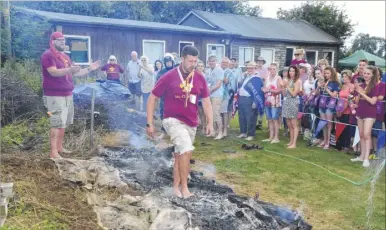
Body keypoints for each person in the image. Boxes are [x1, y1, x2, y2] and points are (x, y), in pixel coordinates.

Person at [146, 45, 213, 198]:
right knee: (186, 149)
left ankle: (175, 188)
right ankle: (185, 188)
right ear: (182, 59)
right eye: (190, 61)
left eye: (195, 61)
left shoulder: (200, 77)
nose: (193, 64)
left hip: (191, 122)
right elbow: (152, 98)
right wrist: (149, 123)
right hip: (172, 120)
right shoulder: (168, 76)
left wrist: (210, 122)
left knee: (181, 154)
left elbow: (207, 101)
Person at [41, 31, 100, 159]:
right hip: (53, 96)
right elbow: (53, 72)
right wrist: (70, 69)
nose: (63, 42)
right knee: (56, 122)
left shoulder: (65, 57)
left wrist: (90, 68)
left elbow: (76, 73)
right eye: (60, 40)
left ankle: (60, 148)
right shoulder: (48, 55)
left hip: (67, 94)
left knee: (64, 123)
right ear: (52, 42)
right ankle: (53, 152)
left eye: (63, 40)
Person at [351, 66, 379, 167]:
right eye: (365, 73)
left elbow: (373, 101)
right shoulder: (361, 85)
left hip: (370, 113)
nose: (366, 75)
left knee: (367, 134)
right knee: (361, 134)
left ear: (372, 75)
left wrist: (362, 93)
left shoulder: (375, 86)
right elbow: (357, 101)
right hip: (360, 111)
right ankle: (362, 156)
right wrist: (357, 95)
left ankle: (367, 158)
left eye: (368, 73)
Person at [237, 62, 265, 141]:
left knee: (251, 118)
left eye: (251, 68)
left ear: (254, 68)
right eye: (248, 68)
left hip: (250, 100)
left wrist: (255, 102)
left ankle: (251, 134)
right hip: (242, 99)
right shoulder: (245, 77)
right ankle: (243, 132)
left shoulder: (257, 79)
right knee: (241, 117)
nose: (249, 69)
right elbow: (240, 85)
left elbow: (258, 92)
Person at [316, 66, 340, 150]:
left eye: (328, 73)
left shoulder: (335, 83)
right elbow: (316, 94)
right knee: (323, 123)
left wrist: (327, 89)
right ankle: (324, 140)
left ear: (332, 73)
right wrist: (319, 86)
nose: (326, 75)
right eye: (325, 73)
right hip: (322, 104)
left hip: (330, 105)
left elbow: (334, 95)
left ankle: (328, 142)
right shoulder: (323, 81)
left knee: (329, 124)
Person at [262, 63, 282, 143]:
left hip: (275, 101)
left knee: (275, 119)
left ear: (277, 69)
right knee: (269, 119)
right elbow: (264, 88)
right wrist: (264, 89)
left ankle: (276, 137)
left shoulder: (278, 78)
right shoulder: (267, 78)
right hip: (267, 101)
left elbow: (280, 90)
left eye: (274, 69)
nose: (272, 70)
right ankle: (270, 137)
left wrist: (270, 90)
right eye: (271, 69)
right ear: (269, 70)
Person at [282, 65, 302, 149]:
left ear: (296, 72)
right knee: (289, 124)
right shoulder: (288, 80)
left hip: (293, 102)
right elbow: (284, 94)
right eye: (290, 71)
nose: (291, 72)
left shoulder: (298, 81)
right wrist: (283, 86)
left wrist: (287, 86)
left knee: (294, 124)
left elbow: (294, 94)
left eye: (293, 71)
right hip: (286, 102)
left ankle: (294, 143)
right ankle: (290, 141)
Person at [206, 55, 225, 140]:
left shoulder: (219, 70)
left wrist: (209, 90)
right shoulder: (208, 71)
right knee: (210, 114)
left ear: (216, 61)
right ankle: (213, 131)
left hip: (216, 95)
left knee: (216, 113)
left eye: (213, 61)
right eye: (210, 61)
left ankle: (220, 132)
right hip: (209, 94)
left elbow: (218, 84)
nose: (211, 62)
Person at [335, 70, 354, 152]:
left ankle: (346, 146)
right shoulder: (342, 86)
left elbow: (349, 99)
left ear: (350, 77)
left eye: (346, 76)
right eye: (343, 77)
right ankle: (340, 145)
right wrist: (338, 110)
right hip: (340, 109)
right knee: (340, 127)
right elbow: (339, 98)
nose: (344, 78)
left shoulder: (352, 86)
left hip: (347, 110)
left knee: (347, 129)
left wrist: (343, 110)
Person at [219, 57, 234, 138]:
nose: (223, 64)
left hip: (225, 94)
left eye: (225, 62)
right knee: (218, 112)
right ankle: (219, 129)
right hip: (217, 94)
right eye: (222, 62)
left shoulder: (230, 72)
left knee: (224, 112)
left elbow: (227, 82)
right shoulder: (219, 70)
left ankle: (225, 130)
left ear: (228, 64)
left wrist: (222, 78)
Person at [196, 60, 207, 134]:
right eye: (199, 66)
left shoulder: (205, 75)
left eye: (201, 66)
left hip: (202, 96)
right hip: (195, 96)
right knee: (197, 112)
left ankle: (204, 127)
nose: (200, 67)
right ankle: (196, 126)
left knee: (203, 113)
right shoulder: (194, 74)